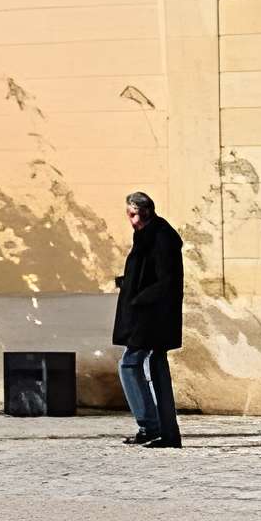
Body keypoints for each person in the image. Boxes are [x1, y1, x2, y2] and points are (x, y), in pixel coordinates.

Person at [111, 190, 185, 449]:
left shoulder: (161, 236)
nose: (131, 219)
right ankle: (157, 429)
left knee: (130, 364)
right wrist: (128, 284)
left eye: (132, 214)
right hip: (149, 314)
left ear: (139, 213)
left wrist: (139, 298)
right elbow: (148, 272)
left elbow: (166, 281)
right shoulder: (148, 233)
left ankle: (153, 426)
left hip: (153, 316)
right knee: (148, 364)